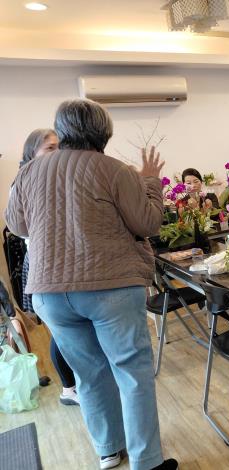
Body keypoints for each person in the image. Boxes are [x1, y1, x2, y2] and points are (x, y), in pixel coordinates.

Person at [6, 99, 177, 470]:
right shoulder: (115, 170)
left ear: (63, 129)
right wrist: (150, 182)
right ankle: (147, 462)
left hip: (50, 293)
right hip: (111, 287)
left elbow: (17, 226)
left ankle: (109, 450)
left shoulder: (29, 172)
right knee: (131, 373)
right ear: (104, 132)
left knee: (89, 374)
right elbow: (147, 223)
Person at [18, 128, 79, 406]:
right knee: (60, 329)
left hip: (62, 260)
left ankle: (74, 384)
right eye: (50, 148)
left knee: (67, 327)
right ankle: (69, 389)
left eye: (59, 147)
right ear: (33, 153)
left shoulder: (54, 178)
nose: (58, 152)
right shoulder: (25, 181)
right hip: (45, 263)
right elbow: (21, 228)